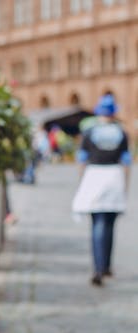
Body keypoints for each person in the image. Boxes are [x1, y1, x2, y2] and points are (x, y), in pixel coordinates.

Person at [72, 93, 132, 287]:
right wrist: (125, 187)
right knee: (110, 224)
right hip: (114, 176)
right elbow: (126, 163)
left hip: (94, 176)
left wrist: (82, 184)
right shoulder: (121, 132)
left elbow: (81, 160)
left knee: (97, 223)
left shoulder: (89, 132)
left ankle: (98, 268)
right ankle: (106, 265)